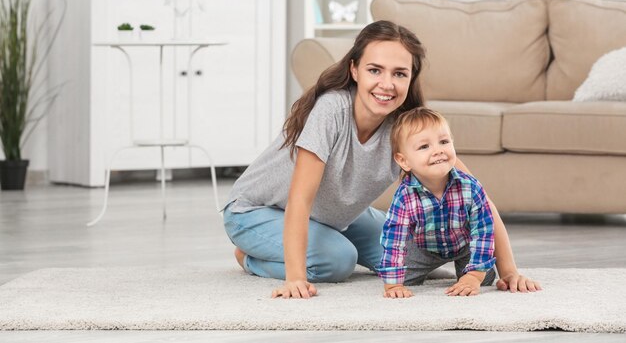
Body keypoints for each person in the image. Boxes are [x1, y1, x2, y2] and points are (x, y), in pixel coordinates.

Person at [220, 20, 541, 299]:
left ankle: (322, 240)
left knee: (412, 254)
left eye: (399, 73)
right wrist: (295, 278)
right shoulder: (331, 110)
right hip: (257, 211)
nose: (387, 84)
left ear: (411, 79)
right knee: (337, 260)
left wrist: (508, 271)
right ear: (355, 69)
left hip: (336, 216)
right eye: (375, 70)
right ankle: (248, 257)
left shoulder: (405, 128)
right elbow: (299, 201)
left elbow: (477, 196)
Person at [378, 107, 497, 298]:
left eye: (444, 142)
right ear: (404, 161)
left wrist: (474, 275)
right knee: (403, 280)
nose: (438, 150)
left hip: (464, 245)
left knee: (486, 278)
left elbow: (483, 232)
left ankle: (468, 271)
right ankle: (429, 269)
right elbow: (394, 238)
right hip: (423, 248)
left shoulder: (470, 187)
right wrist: (393, 285)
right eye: (424, 146)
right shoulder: (405, 196)